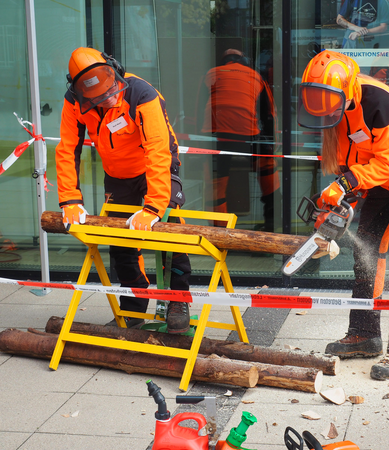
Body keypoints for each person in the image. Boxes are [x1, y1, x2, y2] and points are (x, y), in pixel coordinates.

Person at [297, 51, 389, 380]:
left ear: (348, 90)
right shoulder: (336, 110)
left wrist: (347, 183)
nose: (326, 106)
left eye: (331, 99)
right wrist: (340, 197)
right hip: (380, 180)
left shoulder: (381, 102)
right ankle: (365, 335)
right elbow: (355, 159)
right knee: (366, 251)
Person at [55, 47, 192, 333]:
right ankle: (134, 303)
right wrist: (69, 198)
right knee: (120, 241)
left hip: (155, 165)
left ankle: (178, 300)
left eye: (113, 91)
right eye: (101, 99)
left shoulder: (142, 94)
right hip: (117, 173)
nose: (111, 99)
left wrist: (153, 207)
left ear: (116, 73)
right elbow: (68, 148)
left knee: (172, 232)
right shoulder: (74, 102)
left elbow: (157, 148)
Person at [196, 49, 280, 231]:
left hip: (217, 136)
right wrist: (270, 145)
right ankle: (272, 225)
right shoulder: (256, 76)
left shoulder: (211, 73)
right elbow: (269, 114)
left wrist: (199, 142)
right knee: (268, 171)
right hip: (248, 134)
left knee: (215, 183)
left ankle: (221, 232)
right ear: (243, 61)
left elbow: (199, 108)